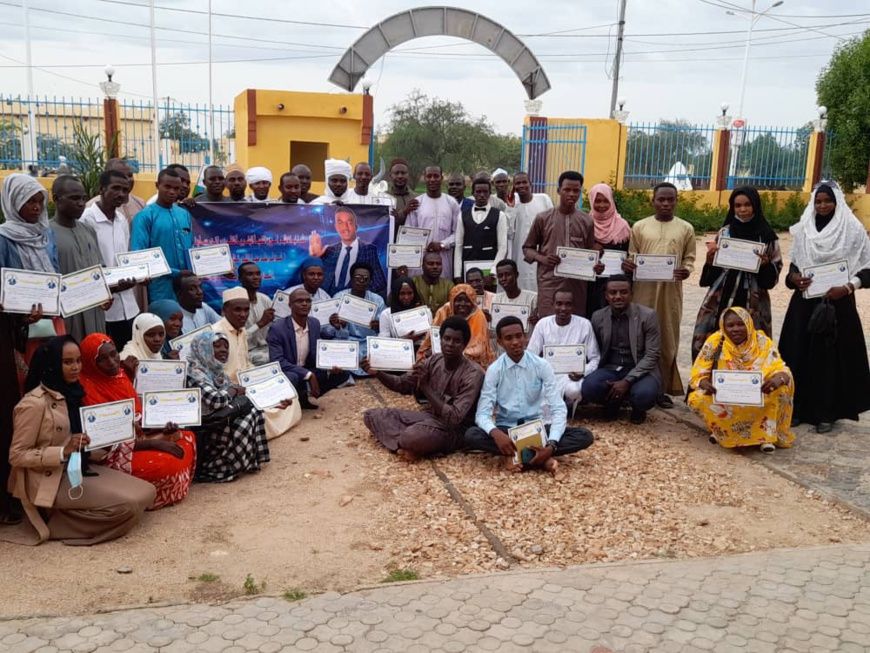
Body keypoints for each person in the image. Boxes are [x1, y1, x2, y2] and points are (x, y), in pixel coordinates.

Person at [4, 336, 154, 545]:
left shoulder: (75, 393)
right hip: (49, 477)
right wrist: (62, 451)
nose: (75, 367)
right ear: (52, 364)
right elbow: (17, 455)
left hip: (80, 466)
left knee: (147, 492)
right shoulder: (33, 404)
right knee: (126, 507)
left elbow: (87, 444)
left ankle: (70, 513)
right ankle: (54, 523)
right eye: (67, 362)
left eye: (78, 361)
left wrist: (113, 435)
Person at [778, 182, 870, 434]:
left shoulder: (852, 230)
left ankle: (826, 413)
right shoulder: (806, 228)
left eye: (827, 200)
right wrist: (795, 278)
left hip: (837, 302)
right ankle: (796, 410)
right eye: (818, 201)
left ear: (837, 201)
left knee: (829, 359)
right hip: (805, 303)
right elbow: (793, 268)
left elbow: (867, 269)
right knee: (798, 353)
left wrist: (849, 287)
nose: (822, 205)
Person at [465, 316, 594, 476]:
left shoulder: (541, 365)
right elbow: (482, 414)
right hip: (507, 429)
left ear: (525, 337)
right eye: (508, 338)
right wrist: (496, 434)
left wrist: (551, 444)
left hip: (537, 428)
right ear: (499, 342)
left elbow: (558, 409)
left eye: (519, 336)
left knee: (584, 436)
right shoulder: (495, 370)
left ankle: (515, 456)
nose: (515, 342)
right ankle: (539, 459)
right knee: (472, 434)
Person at [79, 333, 196, 508]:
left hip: (138, 438)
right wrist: (155, 444)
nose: (112, 362)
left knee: (187, 437)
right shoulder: (86, 390)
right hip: (115, 453)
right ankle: (150, 498)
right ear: (90, 363)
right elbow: (106, 441)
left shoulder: (120, 376)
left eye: (113, 354)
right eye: (102, 359)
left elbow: (138, 417)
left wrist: (160, 429)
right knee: (165, 463)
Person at [362, 316, 485, 460]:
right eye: (447, 339)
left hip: (455, 429)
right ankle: (409, 447)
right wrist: (377, 373)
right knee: (372, 415)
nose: (450, 344)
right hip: (429, 418)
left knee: (413, 436)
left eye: (457, 341)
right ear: (440, 340)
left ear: (464, 345)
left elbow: (454, 418)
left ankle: (410, 443)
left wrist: (425, 386)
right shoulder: (434, 360)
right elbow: (401, 384)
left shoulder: (473, 373)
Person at [623, 182, 695, 405]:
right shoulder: (640, 227)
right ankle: (636, 384)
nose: (665, 204)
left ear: (676, 201)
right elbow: (632, 255)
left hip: (670, 292)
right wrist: (631, 265)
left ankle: (661, 389)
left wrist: (686, 271)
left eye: (670, 199)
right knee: (639, 336)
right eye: (661, 199)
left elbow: (689, 259)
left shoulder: (686, 228)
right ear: (652, 201)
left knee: (667, 337)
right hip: (643, 290)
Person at [691, 187, 781, 361]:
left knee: (752, 346)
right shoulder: (725, 233)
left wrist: (765, 265)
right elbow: (710, 277)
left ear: (755, 205)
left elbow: (773, 277)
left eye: (747, 205)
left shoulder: (767, 237)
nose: (743, 209)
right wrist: (710, 261)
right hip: (721, 297)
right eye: (737, 205)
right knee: (714, 343)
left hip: (753, 300)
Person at [688, 307, 794, 452]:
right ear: (723, 327)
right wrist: (704, 382)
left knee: (781, 390)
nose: (735, 329)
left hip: (758, 392)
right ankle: (721, 431)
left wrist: (778, 379)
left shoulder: (762, 341)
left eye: (740, 324)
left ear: (749, 323)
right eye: (730, 325)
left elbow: (781, 368)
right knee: (696, 399)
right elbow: (698, 372)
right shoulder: (716, 340)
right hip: (726, 394)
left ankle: (766, 436)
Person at [186, 331, 270, 482]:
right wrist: (233, 391)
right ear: (203, 349)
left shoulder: (214, 370)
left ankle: (245, 462)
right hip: (206, 425)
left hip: (219, 418)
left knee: (254, 411)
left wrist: (234, 390)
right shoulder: (194, 374)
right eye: (216, 346)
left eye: (226, 346)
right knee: (244, 421)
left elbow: (233, 388)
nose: (223, 350)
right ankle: (219, 468)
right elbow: (216, 400)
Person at [583, 275, 662, 424]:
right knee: (589, 387)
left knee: (645, 395)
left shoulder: (648, 316)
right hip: (610, 367)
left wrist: (627, 381)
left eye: (624, 292)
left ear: (631, 294)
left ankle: (638, 409)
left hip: (639, 368)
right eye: (613, 293)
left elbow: (652, 355)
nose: (618, 297)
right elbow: (594, 349)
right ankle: (612, 403)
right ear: (606, 296)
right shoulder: (598, 316)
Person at [522, 170, 599, 318]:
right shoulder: (543, 218)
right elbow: (527, 248)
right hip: (549, 282)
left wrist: (596, 265)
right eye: (567, 190)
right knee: (548, 324)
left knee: (574, 326)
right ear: (558, 191)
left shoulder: (587, 221)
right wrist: (543, 258)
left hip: (577, 285)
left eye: (576, 191)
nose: (571, 194)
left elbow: (590, 253)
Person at [80, 170, 141, 349]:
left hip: (129, 305)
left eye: (125, 189)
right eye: (115, 188)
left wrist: (138, 274)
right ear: (101, 189)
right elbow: (87, 264)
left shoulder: (121, 220)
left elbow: (126, 257)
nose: (121, 194)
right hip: (103, 308)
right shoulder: (87, 219)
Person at [268, 288, 350, 408]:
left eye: (308, 301)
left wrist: (329, 366)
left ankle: (306, 395)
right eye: (299, 301)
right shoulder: (277, 328)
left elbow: (316, 353)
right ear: (290, 305)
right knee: (294, 376)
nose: (305, 304)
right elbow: (277, 361)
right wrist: (309, 375)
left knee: (343, 373)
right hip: (288, 370)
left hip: (307, 366)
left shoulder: (314, 323)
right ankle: (294, 401)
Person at [50, 176, 108, 343]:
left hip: (95, 312)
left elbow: (100, 269)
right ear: (56, 199)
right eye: (74, 198)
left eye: (83, 198)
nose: (81, 203)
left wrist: (107, 293)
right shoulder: (46, 233)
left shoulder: (89, 230)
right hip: (67, 315)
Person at [527, 289, 600, 414]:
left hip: (572, 376)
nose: (563, 308)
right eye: (559, 303)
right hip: (548, 373)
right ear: (553, 305)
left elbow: (595, 358)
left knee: (573, 391)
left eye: (568, 304)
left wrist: (582, 371)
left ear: (573, 306)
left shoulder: (584, 325)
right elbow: (531, 355)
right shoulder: (543, 324)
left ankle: (568, 405)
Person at [130, 167, 193, 303]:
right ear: (157, 185)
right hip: (160, 286)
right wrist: (176, 273)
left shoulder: (184, 214)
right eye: (167, 187)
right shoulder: (144, 216)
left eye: (176, 188)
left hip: (187, 285)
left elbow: (192, 248)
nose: (172, 192)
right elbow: (138, 255)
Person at [323, 262, 385, 376]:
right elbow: (328, 331)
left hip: (368, 342)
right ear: (351, 279)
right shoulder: (339, 297)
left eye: (366, 278)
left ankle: (362, 371)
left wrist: (378, 326)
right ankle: (346, 373)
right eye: (357, 277)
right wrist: (337, 326)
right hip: (346, 340)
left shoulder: (378, 300)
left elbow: (384, 330)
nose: (361, 281)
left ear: (370, 281)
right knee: (332, 345)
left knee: (382, 349)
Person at [310, 206, 387, 295]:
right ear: (336, 227)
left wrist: (358, 293)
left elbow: (380, 283)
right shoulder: (329, 251)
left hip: (355, 302)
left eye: (349, 222)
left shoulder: (369, 249)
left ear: (356, 227)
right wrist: (314, 258)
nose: (345, 227)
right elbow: (314, 280)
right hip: (328, 303)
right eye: (340, 223)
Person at [417, 284, 495, 368]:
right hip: (442, 355)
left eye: (467, 300)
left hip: (469, 361)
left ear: (472, 302)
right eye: (459, 300)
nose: (462, 304)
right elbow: (430, 339)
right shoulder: (444, 311)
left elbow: (478, 348)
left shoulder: (478, 315)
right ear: (452, 301)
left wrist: (452, 354)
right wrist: (429, 351)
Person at [406, 165, 460, 279]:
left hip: (443, 258)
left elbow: (458, 233)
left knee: (443, 291)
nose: (432, 179)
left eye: (436, 176)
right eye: (429, 176)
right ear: (424, 178)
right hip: (420, 258)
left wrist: (442, 244)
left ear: (441, 178)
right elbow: (408, 234)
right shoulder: (417, 203)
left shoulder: (451, 203)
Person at [586, 183, 631, 316]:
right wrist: (591, 248)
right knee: (592, 315)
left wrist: (627, 263)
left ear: (611, 201)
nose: (601, 205)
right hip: (591, 283)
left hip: (616, 284)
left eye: (606, 201)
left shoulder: (622, 226)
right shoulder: (586, 223)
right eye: (597, 201)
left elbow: (630, 254)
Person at [453, 177, 508, 282]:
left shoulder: (499, 215)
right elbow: (458, 246)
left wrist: (493, 272)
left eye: (485, 192)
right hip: (467, 270)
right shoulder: (463, 215)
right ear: (473, 193)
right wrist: (457, 274)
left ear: (490, 193)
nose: (482, 195)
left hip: (489, 272)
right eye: (478, 192)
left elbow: (502, 247)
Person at [508, 171, 553, 292]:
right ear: (514, 187)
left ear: (530, 184)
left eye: (524, 182)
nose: (521, 185)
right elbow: (510, 232)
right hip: (520, 253)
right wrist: (511, 208)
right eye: (518, 183)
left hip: (542, 252)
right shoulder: (513, 206)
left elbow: (552, 223)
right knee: (523, 283)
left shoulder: (543, 199)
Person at [85, 158, 146, 224]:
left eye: (130, 175)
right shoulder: (90, 208)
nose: (127, 179)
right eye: (121, 176)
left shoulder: (141, 204)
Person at [238, 262, 275, 365]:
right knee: (266, 359)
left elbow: (275, 326)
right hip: (245, 351)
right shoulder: (235, 303)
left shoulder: (265, 299)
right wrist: (260, 324)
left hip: (267, 347)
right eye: (250, 274)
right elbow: (236, 339)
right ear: (240, 279)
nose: (256, 277)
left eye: (258, 274)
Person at [213, 287, 251, 383]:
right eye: (237, 310)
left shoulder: (242, 330)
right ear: (224, 310)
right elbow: (212, 373)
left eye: (246, 310)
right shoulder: (216, 333)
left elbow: (245, 364)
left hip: (246, 383)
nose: (243, 314)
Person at [493, 258, 538, 331]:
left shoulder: (533, 298)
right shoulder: (496, 299)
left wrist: (537, 320)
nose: (504, 278)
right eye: (500, 276)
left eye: (508, 275)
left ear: (516, 275)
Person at [414, 251, 454, 315]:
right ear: (423, 266)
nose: (435, 267)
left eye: (438, 264)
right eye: (430, 264)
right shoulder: (414, 282)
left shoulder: (448, 285)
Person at [386, 158, 417, 230]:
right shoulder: (384, 198)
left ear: (408, 175)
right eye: (396, 173)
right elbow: (384, 223)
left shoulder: (416, 198)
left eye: (403, 173)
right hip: (391, 240)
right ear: (390, 176)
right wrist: (404, 212)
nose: (400, 176)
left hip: (413, 240)